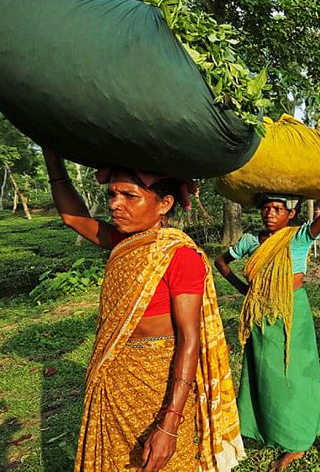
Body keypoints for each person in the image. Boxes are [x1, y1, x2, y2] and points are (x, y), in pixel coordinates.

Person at [43, 149, 243, 471]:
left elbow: (190, 340)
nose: (114, 204)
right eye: (112, 194)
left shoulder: (181, 257)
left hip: (159, 390)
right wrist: (53, 157)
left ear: (164, 204)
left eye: (129, 195)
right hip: (114, 380)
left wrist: (169, 424)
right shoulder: (122, 241)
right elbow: (72, 216)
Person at [214, 137, 320, 469]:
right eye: (266, 207)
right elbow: (221, 263)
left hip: (294, 313)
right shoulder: (251, 241)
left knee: (301, 375)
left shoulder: (299, 237)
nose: (270, 213)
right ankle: (291, 438)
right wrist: (245, 291)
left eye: (277, 208)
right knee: (271, 379)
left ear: (290, 212)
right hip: (262, 318)